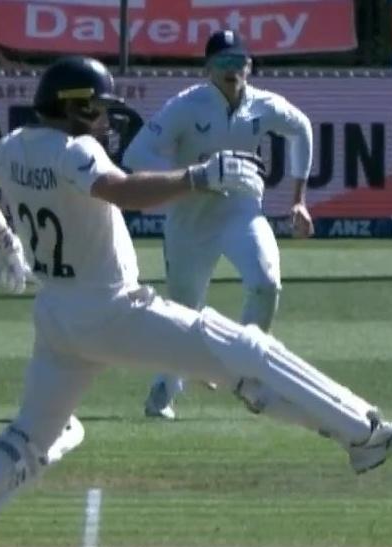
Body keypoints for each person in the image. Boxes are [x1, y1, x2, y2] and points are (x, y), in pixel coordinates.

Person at [0, 56, 392, 547]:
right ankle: (367, 435)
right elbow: (121, 191)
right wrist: (198, 177)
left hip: (56, 315)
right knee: (248, 348)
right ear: (75, 106)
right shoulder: (77, 150)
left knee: (31, 435)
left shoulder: (15, 145)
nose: (106, 120)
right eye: (99, 109)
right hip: (113, 310)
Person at [123, 30, 314, 420]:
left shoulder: (264, 105)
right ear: (207, 68)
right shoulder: (186, 106)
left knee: (265, 283)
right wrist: (191, 176)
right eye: (223, 63)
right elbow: (135, 153)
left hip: (242, 210)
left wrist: (298, 199)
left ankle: (245, 370)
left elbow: (303, 128)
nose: (232, 70)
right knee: (184, 311)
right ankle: (166, 386)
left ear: (250, 66)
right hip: (189, 217)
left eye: (239, 62)